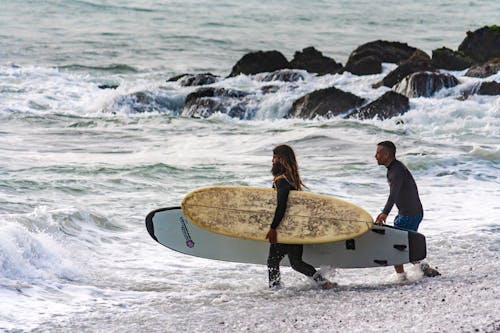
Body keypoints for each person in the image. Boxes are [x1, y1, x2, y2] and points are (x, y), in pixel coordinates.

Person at [265, 144, 336, 289]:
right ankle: (323, 283)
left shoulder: (282, 180)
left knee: (272, 261)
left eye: (275, 157)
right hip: (295, 227)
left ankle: (274, 289)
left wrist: (273, 228)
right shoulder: (291, 179)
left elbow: (281, 206)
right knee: (296, 262)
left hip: (286, 228)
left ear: (282, 159)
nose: (272, 160)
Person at [374, 141, 440, 281]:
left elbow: (394, 194)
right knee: (405, 245)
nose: (375, 156)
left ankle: (402, 277)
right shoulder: (395, 168)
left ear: (386, 154)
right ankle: (424, 270)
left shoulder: (396, 171)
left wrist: (385, 212)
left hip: (409, 214)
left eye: (378, 153)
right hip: (411, 212)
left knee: (397, 245)